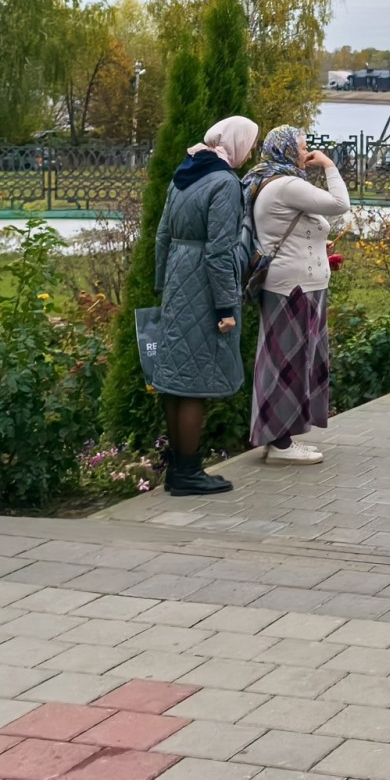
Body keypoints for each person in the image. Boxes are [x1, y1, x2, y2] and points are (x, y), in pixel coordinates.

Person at [149, 115, 259, 497]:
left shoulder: (185, 174)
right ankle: (190, 473)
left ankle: (178, 471)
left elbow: (162, 235)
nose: (252, 150)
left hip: (179, 280)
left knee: (176, 381)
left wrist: (164, 286)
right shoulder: (225, 183)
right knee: (195, 382)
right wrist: (226, 306)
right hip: (204, 284)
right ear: (237, 142)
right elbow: (218, 252)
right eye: (250, 142)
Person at [245, 126, 351, 465]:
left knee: (291, 361)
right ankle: (281, 443)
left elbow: (293, 229)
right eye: (303, 147)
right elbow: (339, 204)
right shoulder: (287, 185)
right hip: (293, 288)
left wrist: (320, 246)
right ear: (287, 149)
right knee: (286, 363)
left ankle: (282, 437)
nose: (307, 153)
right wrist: (329, 166)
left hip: (298, 284)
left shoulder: (271, 181)